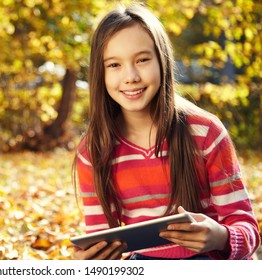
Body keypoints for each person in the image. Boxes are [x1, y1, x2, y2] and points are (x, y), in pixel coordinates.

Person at [72, 3, 261, 260]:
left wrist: (220, 236)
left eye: (142, 60)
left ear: (162, 60)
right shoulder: (93, 151)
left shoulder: (205, 133)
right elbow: (101, 241)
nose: (130, 76)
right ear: (100, 73)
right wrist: (92, 264)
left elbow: (246, 229)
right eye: (114, 65)